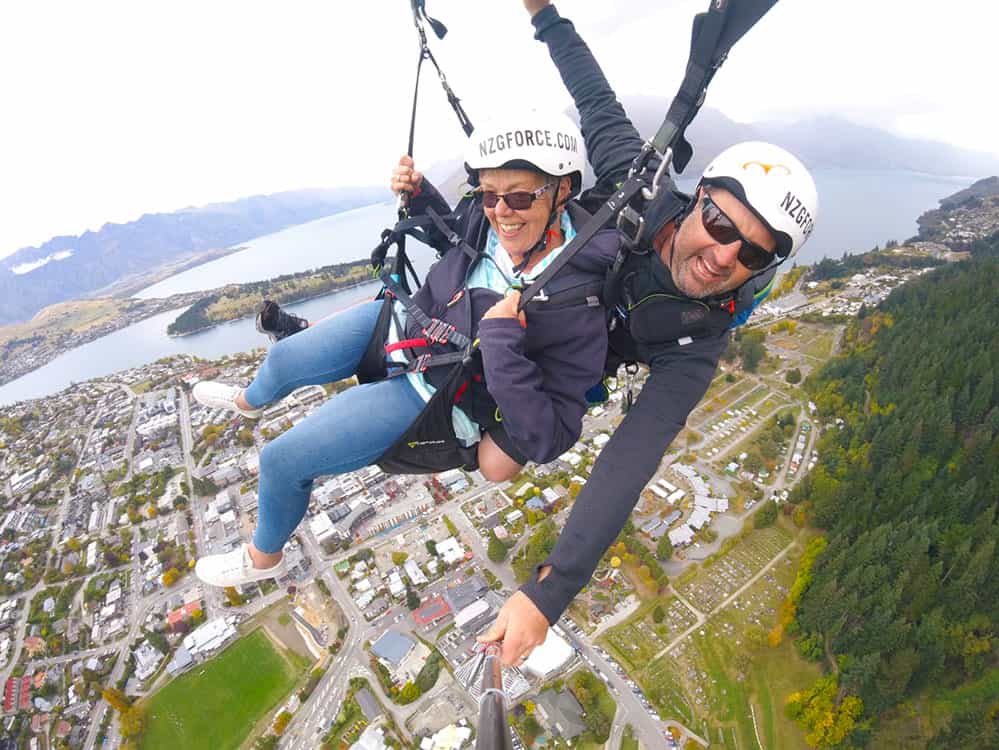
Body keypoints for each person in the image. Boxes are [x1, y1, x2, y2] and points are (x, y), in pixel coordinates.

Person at [479, 1, 819, 667]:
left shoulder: (701, 337)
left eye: (753, 254)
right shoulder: (640, 189)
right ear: (696, 201)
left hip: (594, 351)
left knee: (500, 464)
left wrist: (551, 593)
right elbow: (592, 93)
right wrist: (545, 13)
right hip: (568, 308)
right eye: (721, 224)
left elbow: (630, 460)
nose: (726, 256)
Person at [192, 108, 621, 588]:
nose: (501, 211)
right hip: (406, 323)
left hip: (433, 390)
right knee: (282, 357)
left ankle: (262, 558)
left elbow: (549, 435)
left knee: (282, 460)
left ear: (562, 190)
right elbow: (455, 237)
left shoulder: (575, 303)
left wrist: (501, 340)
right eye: (488, 194)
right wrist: (420, 194)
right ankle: (248, 403)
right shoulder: (494, 219)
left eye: (519, 196)